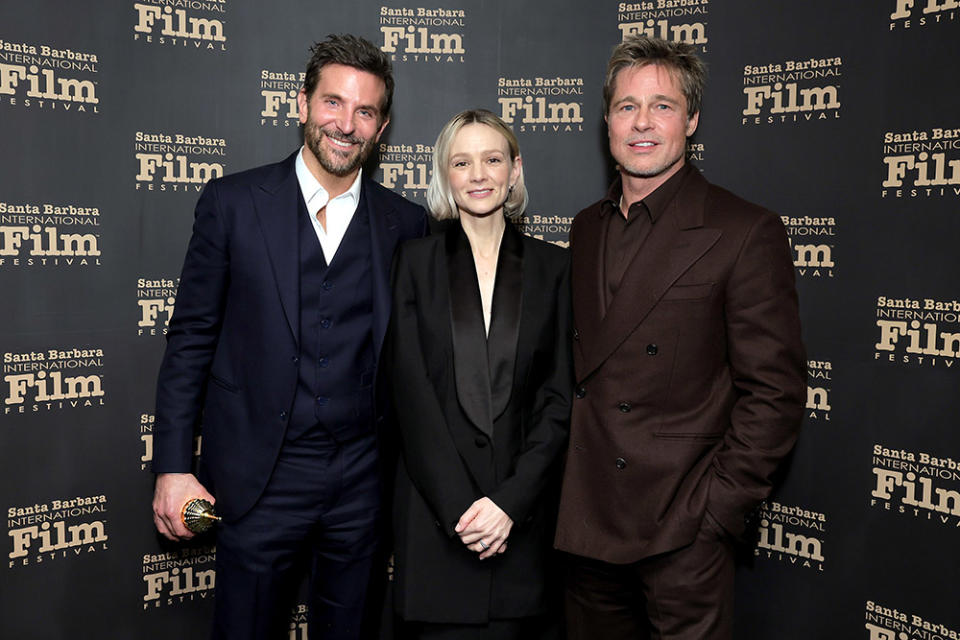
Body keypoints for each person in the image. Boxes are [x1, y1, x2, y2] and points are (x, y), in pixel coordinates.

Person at [150, 34, 428, 640]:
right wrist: (172, 466)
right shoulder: (232, 203)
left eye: (365, 112)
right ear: (301, 104)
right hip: (258, 477)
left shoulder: (405, 224)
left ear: (381, 129)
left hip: (362, 481)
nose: (346, 124)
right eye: (333, 103)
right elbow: (191, 338)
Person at [554, 35, 806, 640]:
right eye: (626, 106)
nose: (643, 123)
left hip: (682, 531)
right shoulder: (585, 227)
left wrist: (717, 513)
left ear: (691, 120)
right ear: (606, 120)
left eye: (662, 106)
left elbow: (774, 391)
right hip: (589, 526)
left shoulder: (743, 230)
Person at [384, 109, 572, 640]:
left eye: (492, 159)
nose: (478, 175)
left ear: (515, 169)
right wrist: (464, 511)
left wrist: (508, 505)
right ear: (445, 174)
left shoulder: (554, 268)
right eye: (461, 162)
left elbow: (558, 399)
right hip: (438, 526)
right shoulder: (413, 262)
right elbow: (410, 392)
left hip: (520, 529)